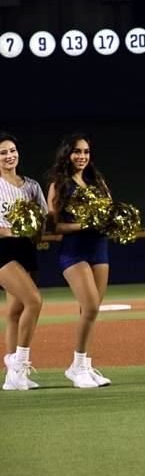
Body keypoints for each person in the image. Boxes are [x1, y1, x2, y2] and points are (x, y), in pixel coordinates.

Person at [47, 134, 114, 389]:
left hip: (99, 248)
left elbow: (109, 210)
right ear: (67, 154)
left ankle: (84, 364)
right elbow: (54, 227)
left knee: (90, 310)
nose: (82, 156)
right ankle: (76, 366)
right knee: (91, 306)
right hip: (74, 251)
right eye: (77, 152)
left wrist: (115, 221)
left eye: (86, 151)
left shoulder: (97, 181)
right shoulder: (58, 184)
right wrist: (84, 224)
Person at [0, 133, 46, 391]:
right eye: (3, 152)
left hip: (26, 248)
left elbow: (42, 222)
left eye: (13, 150)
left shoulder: (31, 186)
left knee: (15, 312)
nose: (9, 156)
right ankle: (20, 362)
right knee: (34, 301)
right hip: (3, 249)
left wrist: (35, 227)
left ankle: (12, 377)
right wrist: (13, 230)